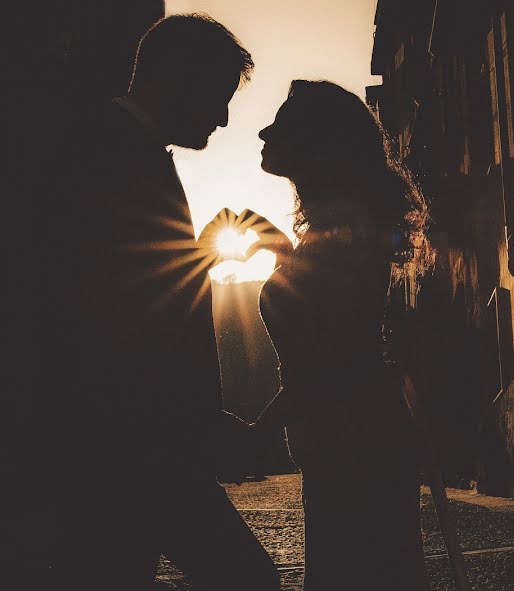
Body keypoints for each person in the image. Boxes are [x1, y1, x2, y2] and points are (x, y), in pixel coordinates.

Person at [47, 14, 278, 591]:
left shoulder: (117, 146)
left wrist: (197, 256)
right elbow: (115, 308)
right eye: (219, 97)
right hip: (133, 447)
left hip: (136, 444)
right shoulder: (113, 153)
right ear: (179, 78)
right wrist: (189, 422)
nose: (223, 119)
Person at [228, 79, 432, 590]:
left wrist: (255, 434)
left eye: (282, 125)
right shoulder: (336, 225)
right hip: (348, 444)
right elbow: (325, 316)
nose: (263, 130)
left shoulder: (346, 226)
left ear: (319, 144)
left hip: (355, 449)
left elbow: (334, 363)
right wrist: (281, 249)